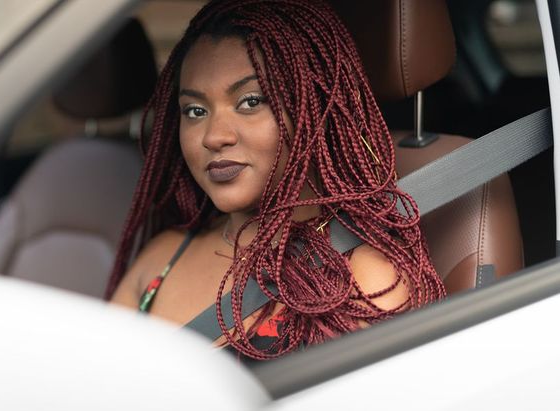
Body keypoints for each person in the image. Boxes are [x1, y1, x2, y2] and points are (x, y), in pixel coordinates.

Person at [107, 0, 446, 360]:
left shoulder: (362, 279)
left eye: (250, 101)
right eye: (195, 110)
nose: (213, 136)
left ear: (311, 109)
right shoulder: (163, 256)